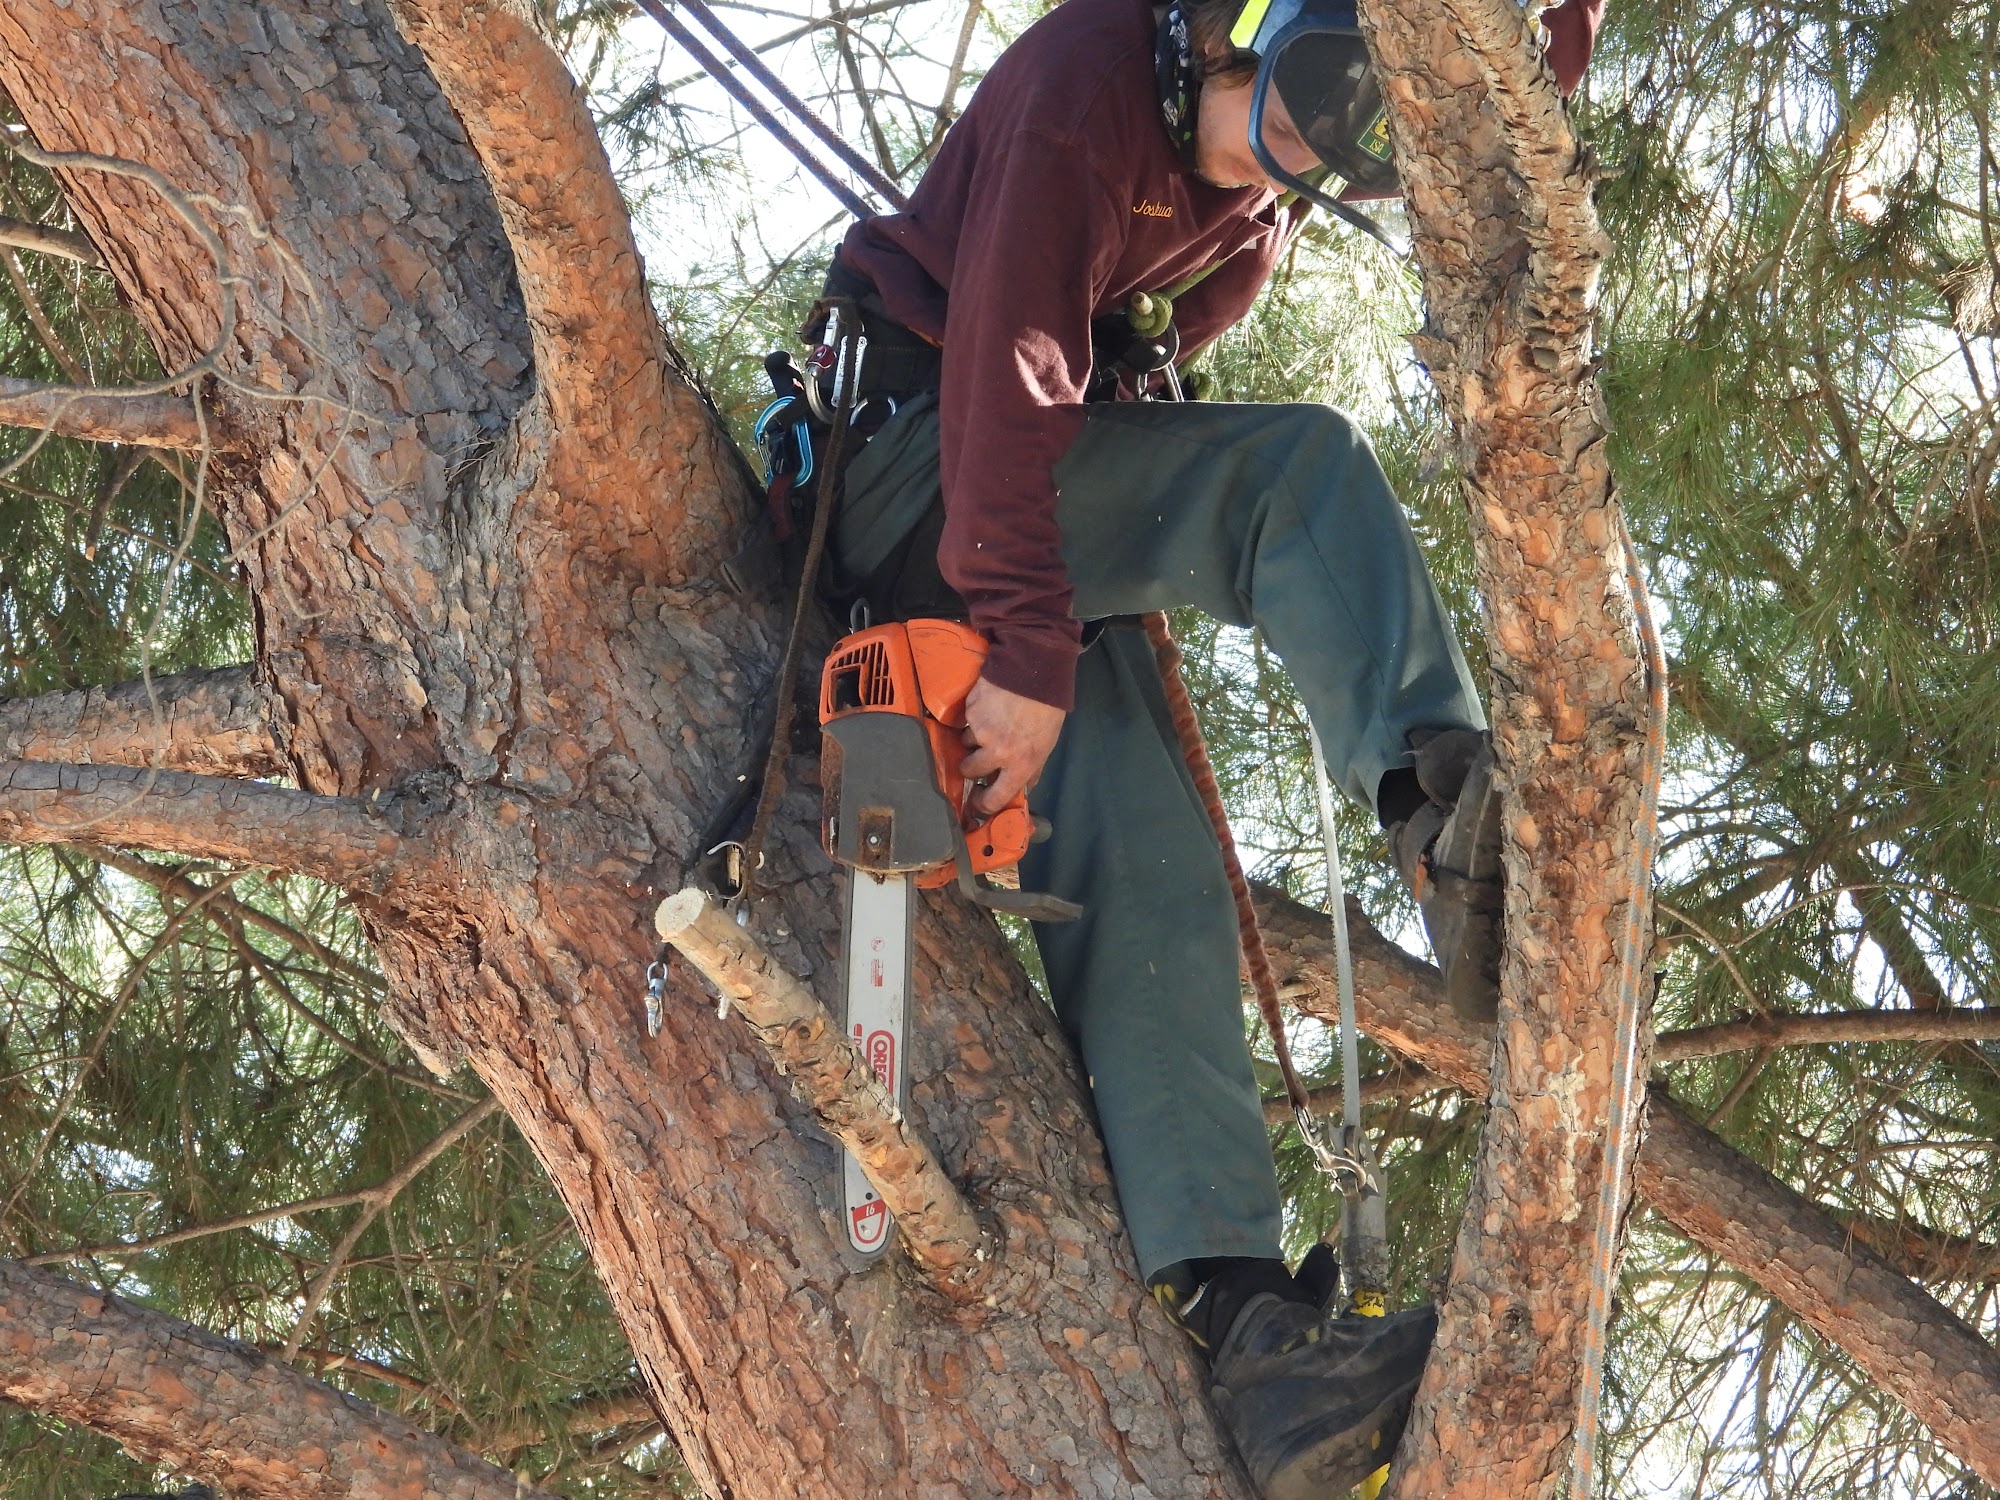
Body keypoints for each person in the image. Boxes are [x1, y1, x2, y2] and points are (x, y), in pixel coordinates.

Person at [813, 0, 1602, 1491]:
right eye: (1302, 102)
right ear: (1241, 23)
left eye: (1351, 150)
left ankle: (1253, 1340)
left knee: (1161, 883)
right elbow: (1004, 375)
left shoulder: (1254, 198)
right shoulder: (1086, 86)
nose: (1299, 162)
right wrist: (1033, 644)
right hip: (931, 471)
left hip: (1015, 527)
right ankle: (1444, 821)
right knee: (1294, 480)